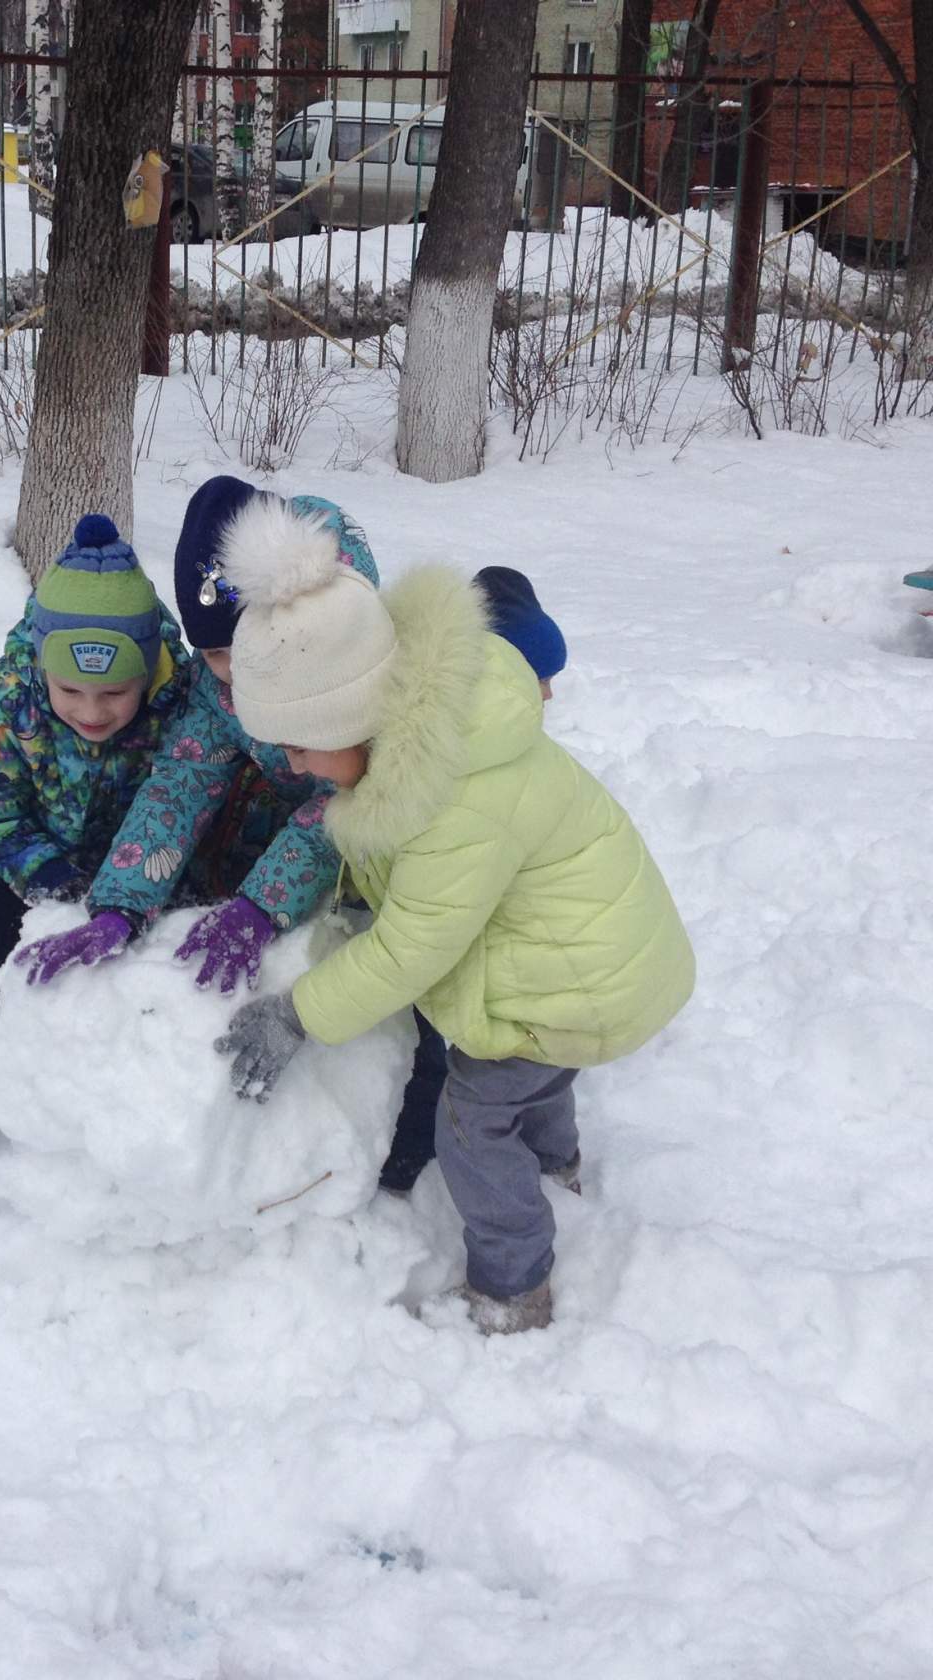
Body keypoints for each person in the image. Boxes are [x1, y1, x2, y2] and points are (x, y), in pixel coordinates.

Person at [210, 501, 694, 1334]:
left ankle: (512, 1285)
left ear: (349, 716)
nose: (287, 765)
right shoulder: (432, 740)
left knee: (471, 1126)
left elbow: (414, 948)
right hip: (592, 960)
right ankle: (555, 1162)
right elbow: (398, 858)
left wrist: (298, 1014)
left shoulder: (458, 795)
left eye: (297, 744)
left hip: (578, 983)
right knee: (534, 1074)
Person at [0, 515, 189, 1173]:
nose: (91, 711)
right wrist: (44, 873)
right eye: (71, 691)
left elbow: (188, 790)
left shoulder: (179, 701)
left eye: (115, 692)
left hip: (120, 865)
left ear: (148, 667)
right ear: (44, 666)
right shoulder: (1, 703)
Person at [15, 477, 378, 993]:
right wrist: (121, 904)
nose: (231, 670)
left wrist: (261, 904)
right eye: (211, 653)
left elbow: (343, 799)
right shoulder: (218, 691)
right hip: (289, 825)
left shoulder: (345, 667)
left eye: (237, 644)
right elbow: (180, 785)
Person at [376, 564, 570, 1198]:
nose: (546, 696)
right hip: (489, 944)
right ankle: (544, 1157)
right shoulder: (458, 755)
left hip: (508, 952)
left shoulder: (505, 752)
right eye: (538, 678)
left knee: (488, 1061)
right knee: (459, 1048)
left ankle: (440, 1153)